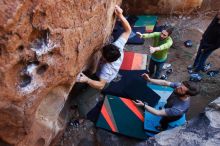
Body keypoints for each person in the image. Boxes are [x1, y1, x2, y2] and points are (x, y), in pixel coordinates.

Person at [77, 5, 131, 90]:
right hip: (100, 73)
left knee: (82, 101)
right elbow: (128, 30)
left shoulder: (106, 69)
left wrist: (87, 80)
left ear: (105, 60)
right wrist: (120, 15)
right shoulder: (118, 46)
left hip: (103, 81)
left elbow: (101, 85)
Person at [134, 73, 199, 131]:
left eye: (181, 89)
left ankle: (162, 127)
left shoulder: (178, 109)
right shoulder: (180, 87)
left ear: (187, 95)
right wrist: (149, 79)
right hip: (170, 105)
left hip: (173, 115)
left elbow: (158, 113)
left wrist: (143, 105)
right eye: (180, 85)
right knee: (167, 106)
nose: (177, 87)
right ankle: (166, 110)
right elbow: (165, 83)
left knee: (164, 120)